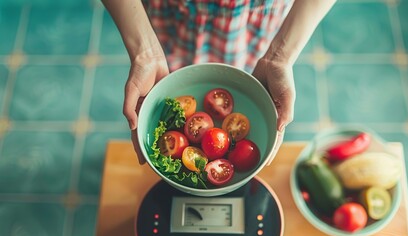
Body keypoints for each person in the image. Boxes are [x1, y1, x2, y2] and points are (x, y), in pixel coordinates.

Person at [101, 0, 336, 164]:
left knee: (246, 72)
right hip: (173, 16)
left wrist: (279, 56)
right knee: (167, 81)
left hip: (254, 18)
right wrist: (145, 50)